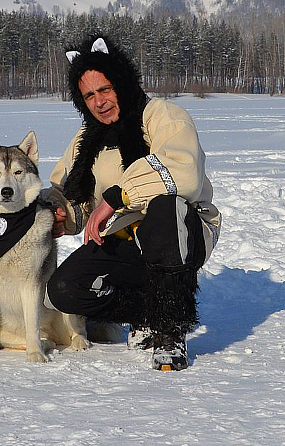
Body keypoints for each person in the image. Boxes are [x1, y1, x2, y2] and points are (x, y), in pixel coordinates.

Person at [44, 34, 222, 370]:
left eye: (105, 89)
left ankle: (169, 331)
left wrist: (115, 198)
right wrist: (58, 215)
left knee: (165, 208)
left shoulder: (163, 115)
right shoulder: (86, 140)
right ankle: (143, 313)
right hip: (125, 240)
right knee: (64, 290)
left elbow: (182, 172)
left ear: (121, 81)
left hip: (181, 233)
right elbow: (74, 199)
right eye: (89, 96)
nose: (99, 101)